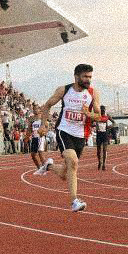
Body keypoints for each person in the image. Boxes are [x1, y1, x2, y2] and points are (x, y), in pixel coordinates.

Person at [35, 63, 101, 212]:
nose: (88, 80)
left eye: (90, 77)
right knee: (73, 161)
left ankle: (48, 166)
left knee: (66, 172)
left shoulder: (92, 93)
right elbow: (47, 105)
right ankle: (74, 201)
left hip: (81, 135)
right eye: (85, 76)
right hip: (64, 131)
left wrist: (89, 114)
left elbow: (99, 116)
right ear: (76, 76)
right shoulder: (64, 90)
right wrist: (43, 125)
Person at [93, 105, 115, 171]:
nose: (102, 111)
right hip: (99, 134)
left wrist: (109, 126)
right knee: (98, 151)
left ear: (105, 110)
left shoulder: (107, 116)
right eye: (101, 110)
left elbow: (114, 122)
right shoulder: (97, 116)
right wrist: (95, 126)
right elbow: (91, 123)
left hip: (105, 134)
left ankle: (104, 164)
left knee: (104, 150)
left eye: (103, 110)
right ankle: (100, 161)